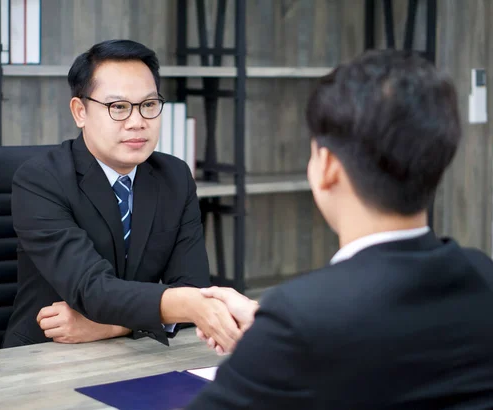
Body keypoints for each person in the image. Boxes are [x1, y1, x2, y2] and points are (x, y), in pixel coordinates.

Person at [187, 49, 493, 409]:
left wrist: (275, 339)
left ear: (328, 165)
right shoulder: (482, 275)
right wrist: (266, 332)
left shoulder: (301, 321)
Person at [3, 39, 241, 350]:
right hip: (45, 354)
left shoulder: (175, 177)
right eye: (118, 107)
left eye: (149, 105)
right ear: (80, 112)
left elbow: (193, 286)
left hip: (137, 352)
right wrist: (181, 306)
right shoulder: (40, 180)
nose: (137, 122)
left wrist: (111, 327)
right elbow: (92, 289)